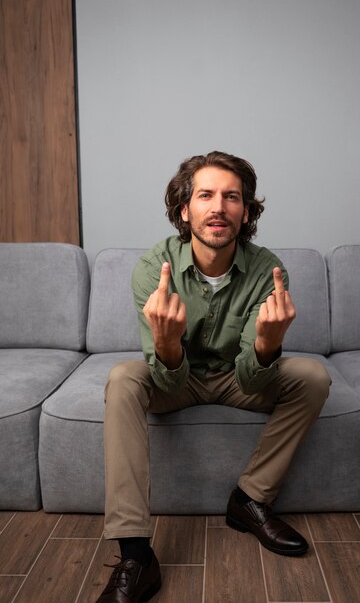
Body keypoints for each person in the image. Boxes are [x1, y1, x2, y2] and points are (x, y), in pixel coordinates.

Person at [96, 151, 331, 603]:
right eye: (205, 195)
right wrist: (166, 344)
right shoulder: (154, 267)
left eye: (232, 197)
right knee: (123, 377)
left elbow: (253, 379)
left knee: (313, 376)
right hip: (175, 378)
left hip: (236, 378)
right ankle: (135, 555)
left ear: (245, 213)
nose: (218, 207)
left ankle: (249, 500)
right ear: (185, 210)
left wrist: (267, 342)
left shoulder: (267, 269)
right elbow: (165, 381)